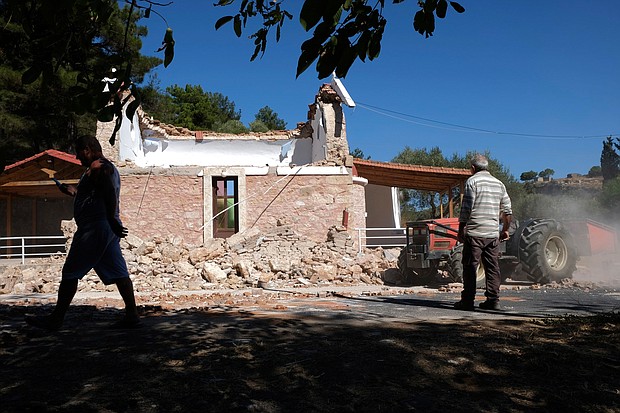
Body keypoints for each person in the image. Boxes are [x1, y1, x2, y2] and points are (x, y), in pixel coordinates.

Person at [26, 135, 140, 330]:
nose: (78, 158)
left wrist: (111, 219)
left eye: (79, 153)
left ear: (87, 149)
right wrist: (70, 190)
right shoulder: (95, 170)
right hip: (103, 228)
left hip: (95, 228)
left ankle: (56, 320)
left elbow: (109, 192)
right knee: (119, 272)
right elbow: (89, 194)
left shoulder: (99, 167)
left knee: (70, 272)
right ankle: (132, 315)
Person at [454, 154, 512, 311]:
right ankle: (493, 301)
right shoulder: (499, 184)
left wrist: (461, 230)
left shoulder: (472, 182)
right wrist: (505, 230)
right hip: (492, 234)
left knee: (470, 266)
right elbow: (507, 211)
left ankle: (467, 301)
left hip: (475, 233)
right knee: (492, 267)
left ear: (473, 168)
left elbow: (466, 209)